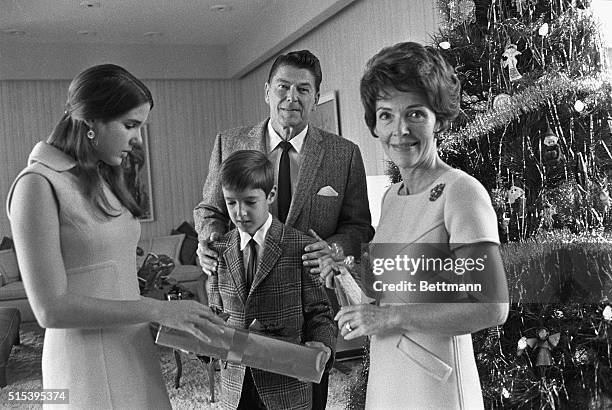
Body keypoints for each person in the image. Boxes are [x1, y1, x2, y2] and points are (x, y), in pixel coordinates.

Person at [6, 64, 225, 409]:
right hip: (84, 363)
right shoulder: (36, 186)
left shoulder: (103, 180)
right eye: (130, 125)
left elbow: (111, 274)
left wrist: (167, 315)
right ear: (91, 122)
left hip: (132, 347)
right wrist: (156, 310)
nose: (137, 138)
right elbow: (50, 309)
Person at [321, 42, 510, 409]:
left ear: (438, 118)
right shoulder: (392, 197)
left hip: (435, 388)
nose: (400, 130)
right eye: (386, 115)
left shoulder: (461, 192)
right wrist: (343, 274)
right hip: (387, 379)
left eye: (415, 113)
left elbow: (492, 307)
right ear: (374, 124)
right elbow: (387, 296)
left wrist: (388, 317)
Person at [194, 49, 374, 407]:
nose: (292, 98)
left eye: (303, 90)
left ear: (315, 96)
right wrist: (209, 239)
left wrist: (334, 250)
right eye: (283, 87)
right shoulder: (229, 144)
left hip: (306, 315)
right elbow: (210, 209)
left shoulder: (345, 153)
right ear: (267, 91)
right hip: (242, 308)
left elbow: (358, 226)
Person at [207, 150, 336, 410]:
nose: (240, 213)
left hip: (287, 385)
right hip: (236, 387)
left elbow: (320, 313)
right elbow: (216, 312)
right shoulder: (217, 251)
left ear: (271, 195)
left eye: (250, 202)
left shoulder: (302, 247)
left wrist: (323, 347)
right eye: (231, 203)